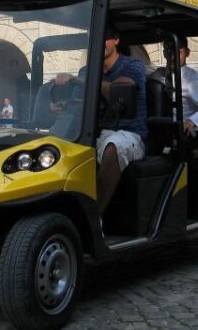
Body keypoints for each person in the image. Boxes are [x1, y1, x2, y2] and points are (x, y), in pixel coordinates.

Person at [54, 24, 147, 215]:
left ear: (116, 41)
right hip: (92, 133)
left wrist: (81, 80)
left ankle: (95, 217)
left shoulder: (132, 65)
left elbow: (119, 89)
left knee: (113, 147)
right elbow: (78, 102)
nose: (100, 43)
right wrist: (60, 106)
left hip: (130, 133)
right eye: (95, 38)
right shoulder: (85, 71)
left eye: (104, 38)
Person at [158, 36, 198, 136]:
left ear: (187, 52)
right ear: (164, 53)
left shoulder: (195, 80)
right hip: (156, 131)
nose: (172, 57)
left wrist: (193, 120)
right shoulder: (157, 75)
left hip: (180, 135)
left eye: (178, 53)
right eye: (168, 51)